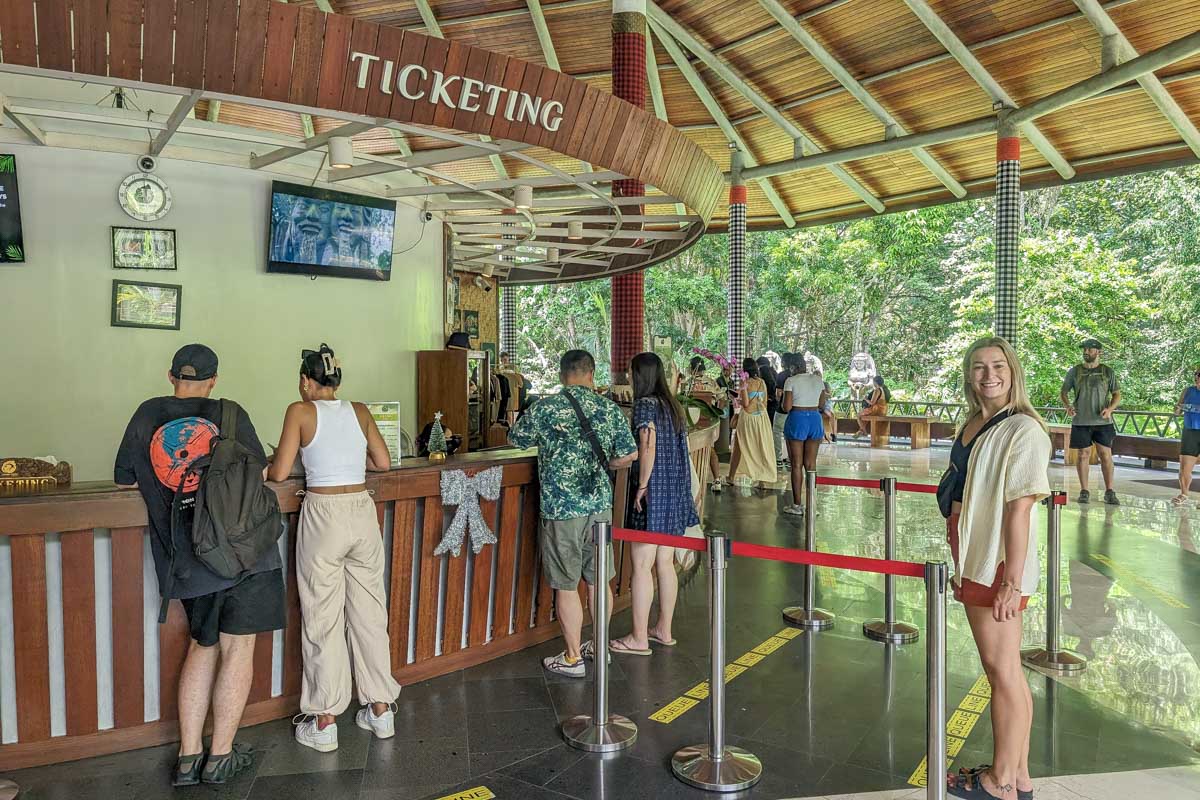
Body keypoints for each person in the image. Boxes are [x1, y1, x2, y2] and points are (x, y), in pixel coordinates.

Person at [114, 344, 285, 786]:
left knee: (202, 646)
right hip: (244, 552)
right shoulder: (229, 413)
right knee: (238, 649)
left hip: (187, 558)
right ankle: (221, 756)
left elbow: (124, 477)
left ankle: (188, 759)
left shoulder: (146, 414)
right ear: (213, 380)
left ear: (171, 375)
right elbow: (259, 473)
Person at [267, 343, 401, 752]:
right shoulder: (359, 410)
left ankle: (325, 722)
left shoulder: (299, 410)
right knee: (369, 613)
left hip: (323, 512)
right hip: (361, 511)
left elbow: (279, 471)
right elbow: (383, 463)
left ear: (307, 381)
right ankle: (380, 711)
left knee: (322, 616)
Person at [944, 337, 1050, 800]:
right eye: (979, 367)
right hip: (973, 561)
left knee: (1000, 669)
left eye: (998, 365)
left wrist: (1010, 581)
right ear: (969, 375)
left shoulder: (1024, 430)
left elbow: (1019, 509)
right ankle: (1019, 775)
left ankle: (1000, 781)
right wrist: (960, 562)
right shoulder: (974, 422)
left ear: (1014, 370)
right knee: (1003, 669)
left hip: (996, 566)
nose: (989, 375)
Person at [508, 350, 637, 677]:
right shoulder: (609, 409)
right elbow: (630, 454)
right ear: (591, 373)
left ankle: (571, 658)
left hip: (562, 508)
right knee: (598, 580)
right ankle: (599, 646)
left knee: (567, 584)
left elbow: (515, 439)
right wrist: (607, 463)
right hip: (599, 509)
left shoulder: (546, 408)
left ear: (562, 374)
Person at [609, 353, 698, 656]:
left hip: (653, 493)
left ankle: (638, 638)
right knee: (665, 563)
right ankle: (663, 629)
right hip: (674, 492)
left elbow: (647, 446)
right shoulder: (673, 406)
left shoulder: (645, 405)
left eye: (632, 373)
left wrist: (642, 485)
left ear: (639, 376)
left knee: (642, 566)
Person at [1061, 338, 1121, 505]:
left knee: (1105, 454)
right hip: (1081, 421)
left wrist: (1110, 409)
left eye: (1090, 349)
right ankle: (1084, 490)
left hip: (1103, 422)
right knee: (1082, 455)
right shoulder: (1075, 371)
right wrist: (1068, 406)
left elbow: (1117, 394)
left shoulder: (1107, 372)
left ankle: (1109, 491)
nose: (1086, 352)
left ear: (1098, 352)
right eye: (1084, 349)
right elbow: (1063, 392)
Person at [781, 353, 828, 516]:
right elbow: (822, 404)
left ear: (792, 367)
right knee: (811, 465)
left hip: (797, 419)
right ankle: (811, 505)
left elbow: (786, 407)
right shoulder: (817, 380)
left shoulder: (791, 381)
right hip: (815, 419)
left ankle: (797, 504)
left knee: (796, 464)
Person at [728, 358, 777, 490]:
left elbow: (745, 404)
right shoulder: (762, 382)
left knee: (738, 447)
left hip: (748, 419)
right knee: (761, 447)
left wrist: (736, 397)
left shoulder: (745, 383)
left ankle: (731, 477)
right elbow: (765, 402)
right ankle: (762, 480)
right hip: (761, 418)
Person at [1172, 366, 1200, 506]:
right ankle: (1184, 494)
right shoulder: (1188, 391)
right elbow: (1177, 412)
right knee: (1184, 467)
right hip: (1190, 431)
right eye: (1197, 377)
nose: (1198, 380)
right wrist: (1178, 408)